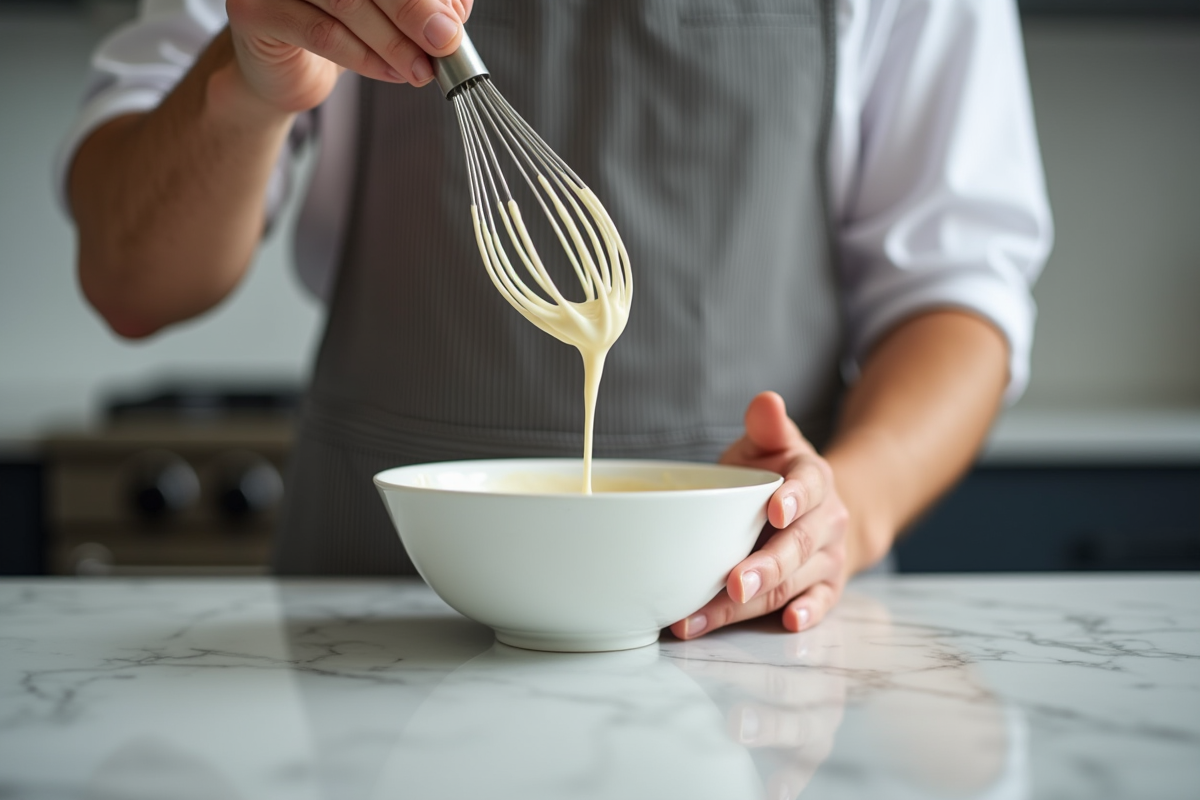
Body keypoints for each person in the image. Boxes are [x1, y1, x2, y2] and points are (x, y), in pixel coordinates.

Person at [58, 0, 1052, 640]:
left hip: (747, 627)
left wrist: (848, 511)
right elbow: (131, 280)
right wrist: (246, 79)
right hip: (377, 620)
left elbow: (958, 296)